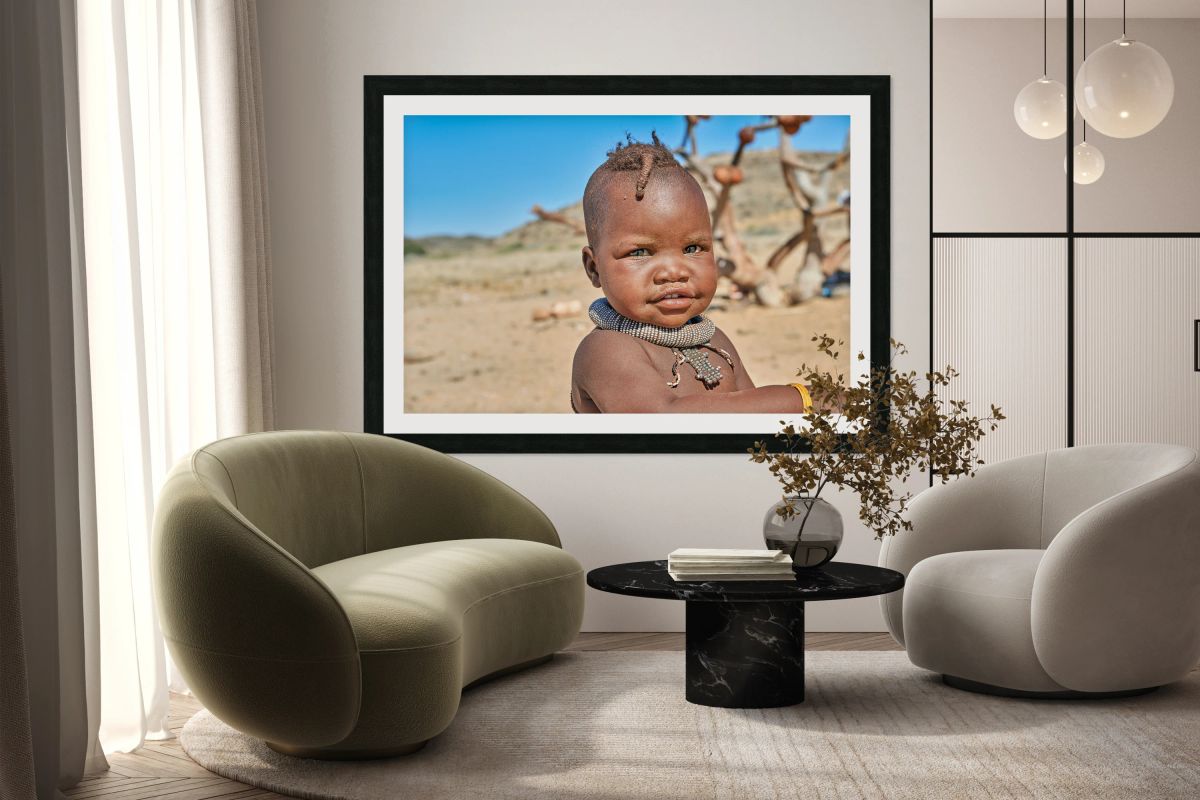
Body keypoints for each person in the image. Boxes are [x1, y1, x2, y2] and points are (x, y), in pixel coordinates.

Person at [570, 131, 831, 414]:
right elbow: (664, 421)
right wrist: (802, 400)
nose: (674, 271)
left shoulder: (714, 339)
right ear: (594, 269)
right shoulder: (606, 350)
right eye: (639, 253)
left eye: (693, 248)